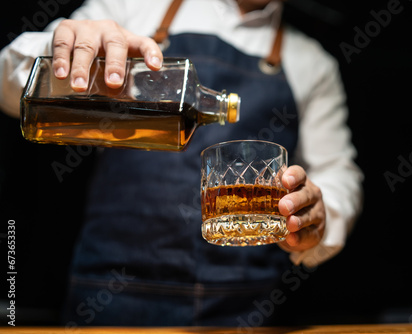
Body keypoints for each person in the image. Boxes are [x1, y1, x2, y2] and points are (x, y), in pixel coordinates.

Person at [0, 0, 363, 327]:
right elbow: (7, 86)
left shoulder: (313, 63)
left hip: (248, 308)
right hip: (109, 299)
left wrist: (319, 215)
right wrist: (60, 51)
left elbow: (338, 174)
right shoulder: (131, 7)